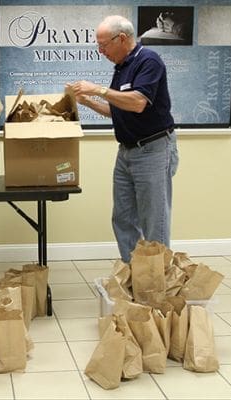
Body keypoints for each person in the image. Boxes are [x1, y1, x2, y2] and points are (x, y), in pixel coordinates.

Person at [70, 15, 179, 263]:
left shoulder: (148, 61)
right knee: (123, 218)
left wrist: (96, 89)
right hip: (126, 153)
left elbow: (138, 102)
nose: (101, 51)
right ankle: (135, 274)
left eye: (104, 45)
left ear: (122, 39)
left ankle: (156, 286)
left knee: (154, 222)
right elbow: (118, 109)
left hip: (153, 150)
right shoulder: (122, 67)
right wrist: (88, 102)